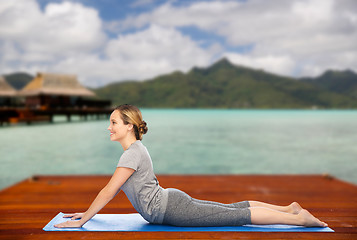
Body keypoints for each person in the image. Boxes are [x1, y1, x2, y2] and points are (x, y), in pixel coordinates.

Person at [54, 104, 328, 228]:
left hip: (170, 207)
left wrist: (84, 220)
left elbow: (108, 191)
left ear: (129, 126)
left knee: (235, 216)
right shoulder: (136, 150)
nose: (109, 127)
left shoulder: (130, 155)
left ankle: (297, 219)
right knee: (230, 209)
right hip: (171, 202)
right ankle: (288, 208)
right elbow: (110, 192)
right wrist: (87, 213)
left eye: (114, 122)